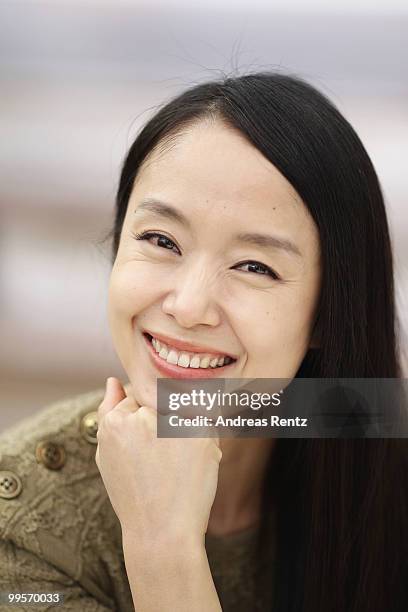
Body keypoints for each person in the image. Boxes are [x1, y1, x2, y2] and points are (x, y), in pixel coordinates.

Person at [0, 72, 407, 612]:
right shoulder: (24, 528)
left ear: (331, 314)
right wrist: (163, 544)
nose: (188, 307)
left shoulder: (385, 470)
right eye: (161, 240)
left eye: (255, 266)